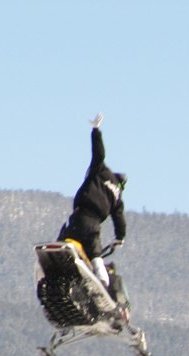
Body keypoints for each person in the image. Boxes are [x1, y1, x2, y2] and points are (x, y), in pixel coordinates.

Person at [58, 113, 129, 310]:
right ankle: (104, 291)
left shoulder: (101, 171)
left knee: (62, 248)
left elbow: (99, 154)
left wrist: (96, 131)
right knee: (96, 257)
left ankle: (59, 278)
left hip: (79, 217)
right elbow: (119, 220)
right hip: (94, 225)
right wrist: (119, 238)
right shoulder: (117, 197)